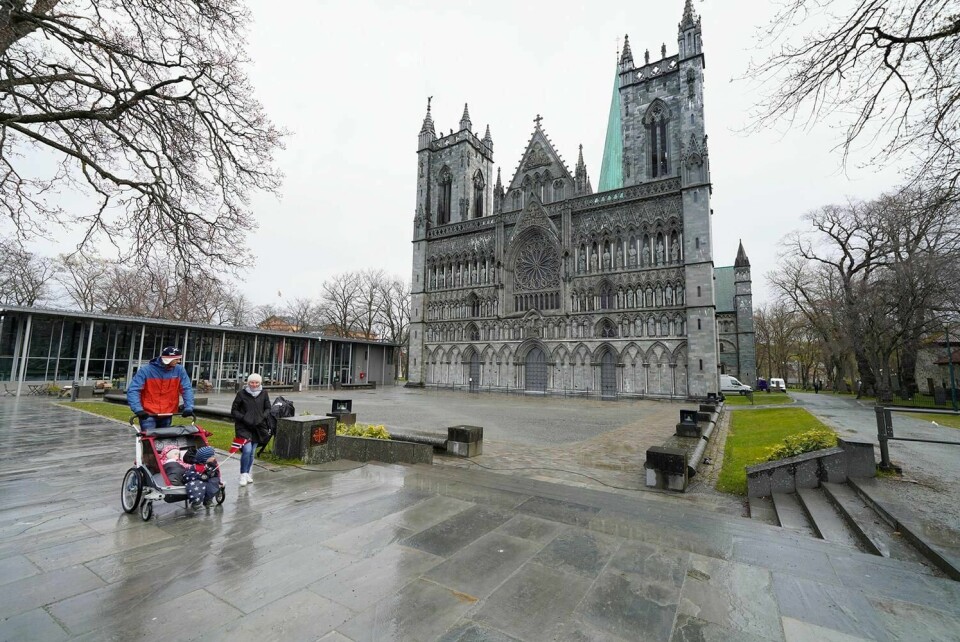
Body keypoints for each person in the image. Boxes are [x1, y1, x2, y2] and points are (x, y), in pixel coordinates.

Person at [127, 346, 195, 430]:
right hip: (148, 413)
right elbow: (133, 390)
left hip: (167, 412)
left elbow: (186, 389)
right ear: (168, 359)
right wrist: (137, 409)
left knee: (164, 440)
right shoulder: (146, 371)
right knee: (149, 439)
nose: (179, 361)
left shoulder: (179, 370)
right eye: (176, 359)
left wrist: (188, 407)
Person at [231, 373, 271, 487]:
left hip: (258, 427)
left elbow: (268, 408)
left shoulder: (264, 394)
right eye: (252, 382)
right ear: (248, 383)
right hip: (243, 426)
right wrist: (244, 418)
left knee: (252, 453)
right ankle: (243, 474)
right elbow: (234, 410)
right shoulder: (241, 394)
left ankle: (248, 472)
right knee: (247, 450)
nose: (254, 385)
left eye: (257, 382)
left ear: (260, 383)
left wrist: (262, 416)